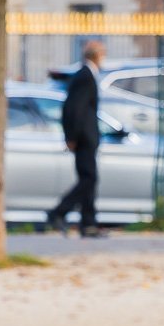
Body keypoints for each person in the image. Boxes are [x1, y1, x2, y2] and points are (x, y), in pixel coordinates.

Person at [48, 40, 107, 238]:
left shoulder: (86, 75)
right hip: (84, 138)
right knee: (89, 178)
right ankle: (59, 212)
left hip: (84, 137)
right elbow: (75, 109)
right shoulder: (85, 76)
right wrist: (72, 136)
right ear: (96, 55)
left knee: (88, 179)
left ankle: (88, 224)